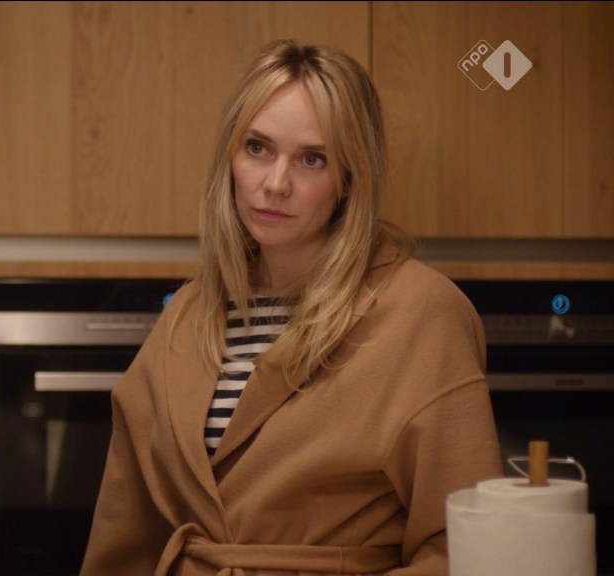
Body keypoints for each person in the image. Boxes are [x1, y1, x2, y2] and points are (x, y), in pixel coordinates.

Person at [79, 39, 502, 575]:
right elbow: (125, 530)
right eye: (257, 148)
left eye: (311, 159)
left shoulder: (423, 313)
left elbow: (466, 546)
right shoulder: (186, 314)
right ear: (230, 157)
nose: (275, 184)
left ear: (348, 178)